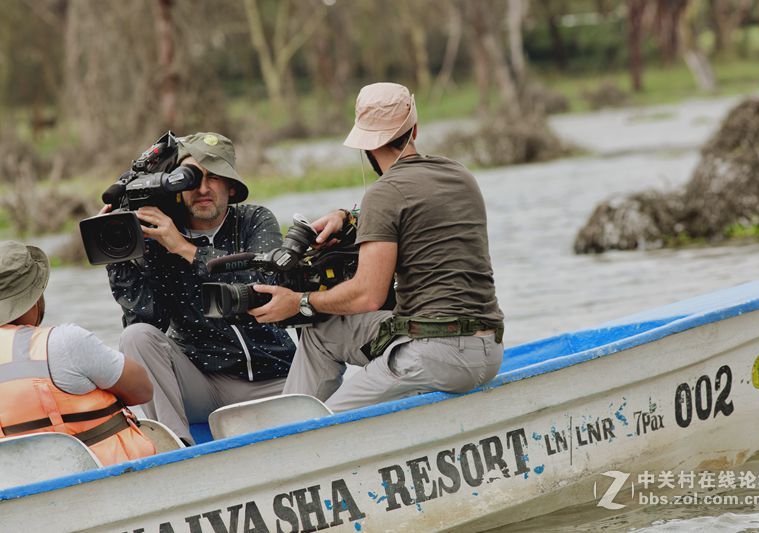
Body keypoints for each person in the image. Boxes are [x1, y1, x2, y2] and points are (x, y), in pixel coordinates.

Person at [249, 82, 504, 412]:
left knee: (322, 426)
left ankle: (293, 438)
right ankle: (292, 418)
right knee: (321, 334)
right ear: (414, 130)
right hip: (489, 349)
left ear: (365, 146)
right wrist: (348, 217)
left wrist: (300, 302)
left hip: (436, 355)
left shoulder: (383, 195)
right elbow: (418, 209)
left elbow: (367, 295)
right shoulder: (460, 174)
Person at [106, 132, 295, 444]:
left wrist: (185, 249)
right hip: (205, 385)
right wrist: (122, 255)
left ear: (231, 186)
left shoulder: (254, 220)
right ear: (176, 188)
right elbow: (147, 325)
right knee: (134, 337)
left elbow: (263, 286)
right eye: (191, 178)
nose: (202, 188)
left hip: (276, 378)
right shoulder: (160, 238)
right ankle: (177, 448)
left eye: (214, 177)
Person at [0, 241, 156, 466]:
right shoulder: (66, 341)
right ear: (37, 296)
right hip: (105, 474)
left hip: (23, 483)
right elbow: (143, 390)